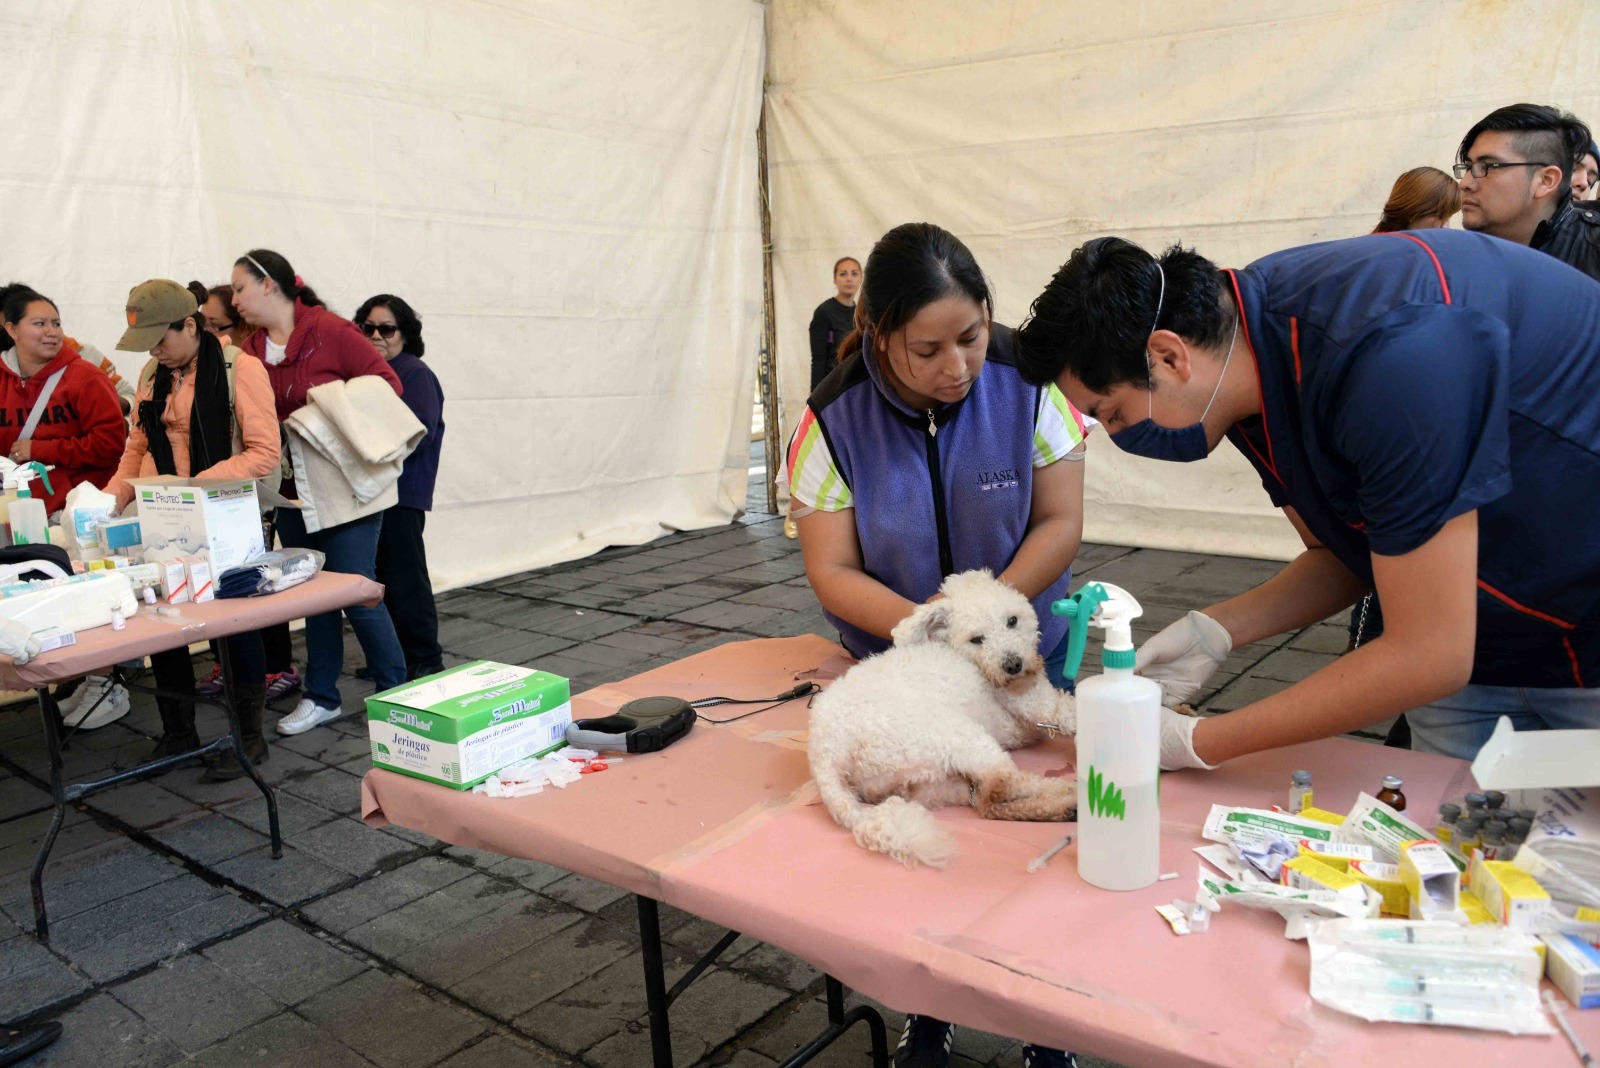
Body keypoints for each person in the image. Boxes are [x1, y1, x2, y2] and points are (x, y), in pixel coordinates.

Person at [1014, 230, 1600, 772]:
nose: (1117, 436)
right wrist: (1217, 628)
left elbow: (1429, 653)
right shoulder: (1244, 368)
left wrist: (1202, 742)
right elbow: (1344, 554)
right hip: (1480, 638)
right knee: (1457, 850)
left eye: (1111, 413)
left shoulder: (1392, 358)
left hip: (1577, 620)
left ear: (1169, 357)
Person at [785, 223, 1088, 1068]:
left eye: (971, 336)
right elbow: (834, 569)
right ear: (878, 332)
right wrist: (927, 631)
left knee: (1034, 844)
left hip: (1023, 652)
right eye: (927, 349)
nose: (956, 366)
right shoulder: (831, 420)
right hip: (904, 662)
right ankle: (926, 1003)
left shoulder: (1029, 383)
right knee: (939, 834)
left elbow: (1061, 519)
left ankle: (1046, 1019)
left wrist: (995, 620)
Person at [105, 279, 281, 777]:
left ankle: (249, 738)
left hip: (222, 513)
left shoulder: (239, 369)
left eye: (162, 339)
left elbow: (264, 453)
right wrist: (111, 500)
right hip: (163, 517)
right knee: (162, 621)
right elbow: (136, 448)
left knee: (233, 623)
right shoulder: (151, 373)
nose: (155, 352)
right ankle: (178, 732)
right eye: (147, 344)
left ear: (191, 325)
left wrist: (190, 488)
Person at [230, 249, 407, 735]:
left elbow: (386, 385)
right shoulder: (247, 353)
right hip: (288, 492)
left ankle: (397, 694)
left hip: (346, 486)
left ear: (270, 285)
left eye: (241, 288)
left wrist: (313, 414)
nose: (235, 299)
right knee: (310, 592)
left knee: (356, 589)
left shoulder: (332, 332)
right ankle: (322, 695)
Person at [0, 285, 130, 729]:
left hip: (73, 513)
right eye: (40, 323)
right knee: (35, 599)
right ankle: (74, 679)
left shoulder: (84, 377)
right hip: (18, 515)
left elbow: (111, 443)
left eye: (56, 322)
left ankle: (106, 686)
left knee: (85, 597)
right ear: (10, 327)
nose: (52, 332)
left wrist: (41, 446)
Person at [354, 294, 445, 681]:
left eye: (386, 328)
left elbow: (418, 432)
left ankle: (425, 658)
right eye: (368, 327)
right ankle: (393, 658)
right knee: (380, 579)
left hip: (401, 494)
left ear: (404, 333)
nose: (376, 335)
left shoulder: (414, 373)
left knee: (405, 579)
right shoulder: (364, 375)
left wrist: (364, 448)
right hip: (371, 493)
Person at [1455, 103, 1600, 281]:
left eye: (1487, 166)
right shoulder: (1459, 257)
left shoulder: (1592, 251)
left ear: (1546, 181)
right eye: (1469, 167)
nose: (1465, 184)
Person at [808, 257, 861, 391]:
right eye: (843, 274)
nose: (849, 279)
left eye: (854, 273)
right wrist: (815, 394)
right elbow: (818, 359)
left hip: (857, 385)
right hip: (832, 387)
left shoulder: (863, 313)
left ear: (861, 278)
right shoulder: (824, 312)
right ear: (835, 279)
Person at [1373, 166, 1460, 233]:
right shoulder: (1383, 252)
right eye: (1440, 216)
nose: (1445, 226)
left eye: (1448, 216)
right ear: (1411, 211)